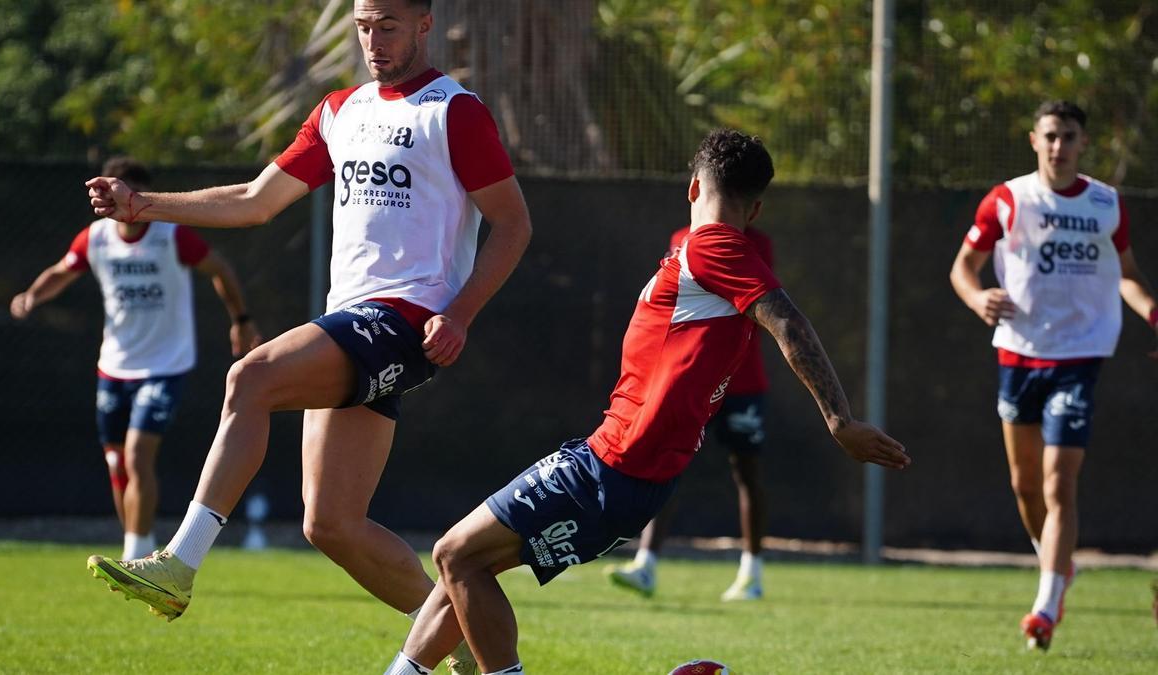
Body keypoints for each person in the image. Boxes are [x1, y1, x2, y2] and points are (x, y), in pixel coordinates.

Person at [84, 2, 531, 671]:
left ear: (424, 25)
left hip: (405, 321)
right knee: (330, 523)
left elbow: (514, 223)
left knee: (251, 377)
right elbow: (257, 200)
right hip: (353, 322)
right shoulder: (339, 109)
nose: (373, 40)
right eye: (362, 26)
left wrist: (461, 312)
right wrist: (147, 204)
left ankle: (180, 562)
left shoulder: (453, 111)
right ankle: (456, 639)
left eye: (388, 25)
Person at [381, 129, 910, 675]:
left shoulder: (713, 246)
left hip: (614, 463)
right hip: (631, 474)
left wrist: (839, 419)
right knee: (466, 565)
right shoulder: (712, 254)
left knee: (454, 555)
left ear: (692, 187)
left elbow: (787, 320)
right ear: (756, 206)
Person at [949, 100, 1158, 651]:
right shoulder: (1008, 199)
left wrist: (1154, 314)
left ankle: (1045, 605)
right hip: (1018, 354)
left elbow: (1128, 276)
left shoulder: (1105, 204)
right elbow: (963, 269)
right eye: (1050, 136)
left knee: (1058, 481)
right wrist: (977, 299)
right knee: (1024, 486)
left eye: (1069, 136)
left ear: (1084, 143)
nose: (1059, 146)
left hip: (1080, 356)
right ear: (1033, 140)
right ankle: (1057, 569)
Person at [10, 156, 261, 561]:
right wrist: (32, 296)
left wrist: (242, 320)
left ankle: (136, 552)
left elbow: (221, 269)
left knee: (137, 453)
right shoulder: (95, 239)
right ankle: (134, 545)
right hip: (114, 365)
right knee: (116, 462)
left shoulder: (170, 236)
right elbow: (63, 270)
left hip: (165, 365)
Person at [605, 223, 776, 601]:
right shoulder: (681, 239)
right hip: (692, 382)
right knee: (668, 465)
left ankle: (752, 572)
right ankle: (646, 564)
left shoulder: (756, 243)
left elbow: (760, 310)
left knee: (746, 471)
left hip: (742, 381)